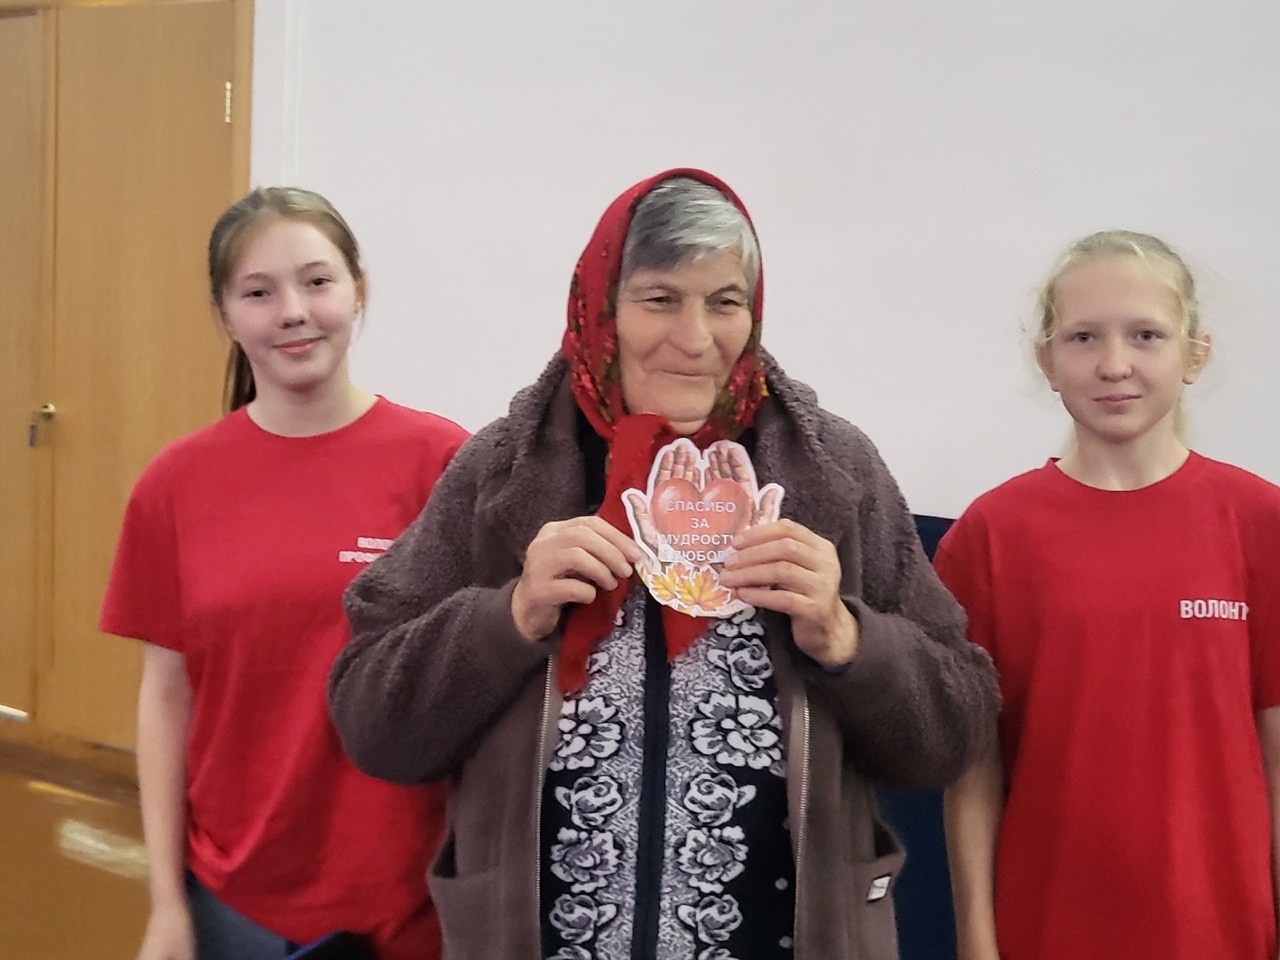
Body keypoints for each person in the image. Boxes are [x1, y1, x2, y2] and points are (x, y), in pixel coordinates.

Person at [327, 168, 999, 960]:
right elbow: (373, 724)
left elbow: (953, 734)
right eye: (659, 299)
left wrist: (849, 640)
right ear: (600, 308)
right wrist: (508, 617)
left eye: (725, 302)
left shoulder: (830, 473)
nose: (697, 337)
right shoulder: (505, 471)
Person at [100, 187, 469, 960]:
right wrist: (166, 904)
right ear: (224, 316)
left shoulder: (442, 464)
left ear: (357, 290)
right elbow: (166, 697)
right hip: (236, 905)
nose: (293, 312)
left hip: (408, 906)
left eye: (317, 281)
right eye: (258, 293)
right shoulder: (174, 486)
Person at [935, 230, 1280, 960]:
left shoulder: (1259, 522)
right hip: (1046, 929)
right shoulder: (992, 535)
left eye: (1146, 335)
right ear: (1047, 359)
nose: (1114, 364)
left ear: (1195, 354)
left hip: (1223, 934)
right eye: (1084, 336)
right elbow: (973, 771)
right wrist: (977, 941)